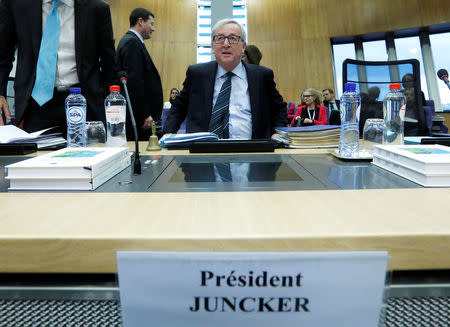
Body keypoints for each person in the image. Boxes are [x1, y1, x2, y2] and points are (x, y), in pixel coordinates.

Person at [0, 0, 116, 133]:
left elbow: (109, 63)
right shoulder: (17, 5)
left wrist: (114, 108)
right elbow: (3, 54)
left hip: (84, 102)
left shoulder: (97, 8)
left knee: (88, 152)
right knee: (38, 153)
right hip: (37, 104)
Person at [163, 18, 287, 139]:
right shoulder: (197, 74)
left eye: (233, 38)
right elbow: (179, 107)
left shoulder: (262, 75)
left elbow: (278, 108)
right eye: (220, 38)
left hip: (253, 151)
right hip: (203, 152)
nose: (226, 44)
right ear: (212, 46)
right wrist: (167, 133)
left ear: (243, 47)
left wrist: (278, 133)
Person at [116, 8, 163, 141]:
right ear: (141, 22)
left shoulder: (133, 42)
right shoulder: (131, 43)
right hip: (140, 119)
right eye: (151, 24)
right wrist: (144, 114)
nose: (153, 29)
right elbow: (134, 83)